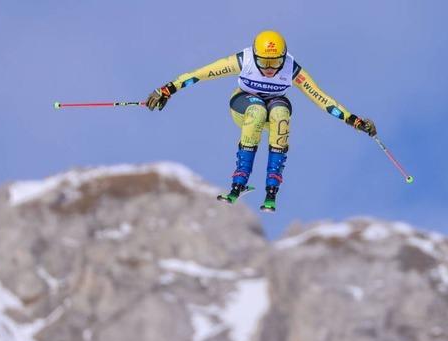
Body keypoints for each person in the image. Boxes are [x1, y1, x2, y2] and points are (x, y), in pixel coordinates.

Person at [146, 30, 377, 212]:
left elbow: (321, 98)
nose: (269, 69)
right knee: (257, 112)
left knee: (279, 115)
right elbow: (201, 74)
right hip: (243, 106)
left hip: (275, 106)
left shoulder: (291, 68)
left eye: (275, 63)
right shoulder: (243, 60)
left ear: (283, 58)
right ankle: (239, 180)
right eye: (264, 63)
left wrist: (353, 120)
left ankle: (272, 188)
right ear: (255, 57)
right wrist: (168, 89)